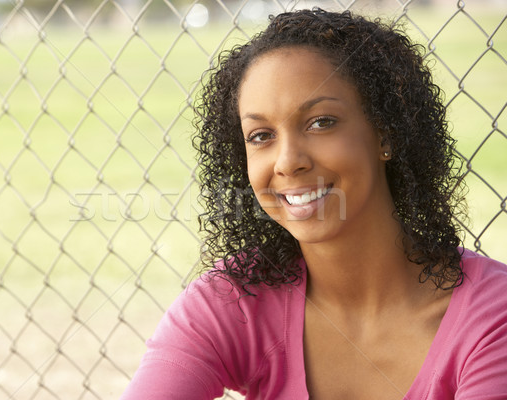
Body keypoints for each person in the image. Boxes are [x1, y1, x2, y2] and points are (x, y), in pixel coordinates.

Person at [121, 8, 507, 399]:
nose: (288, 161)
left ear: (386, 134)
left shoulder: (492, 318)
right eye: (261, 136)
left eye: (321, 122)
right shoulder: (237, 300)